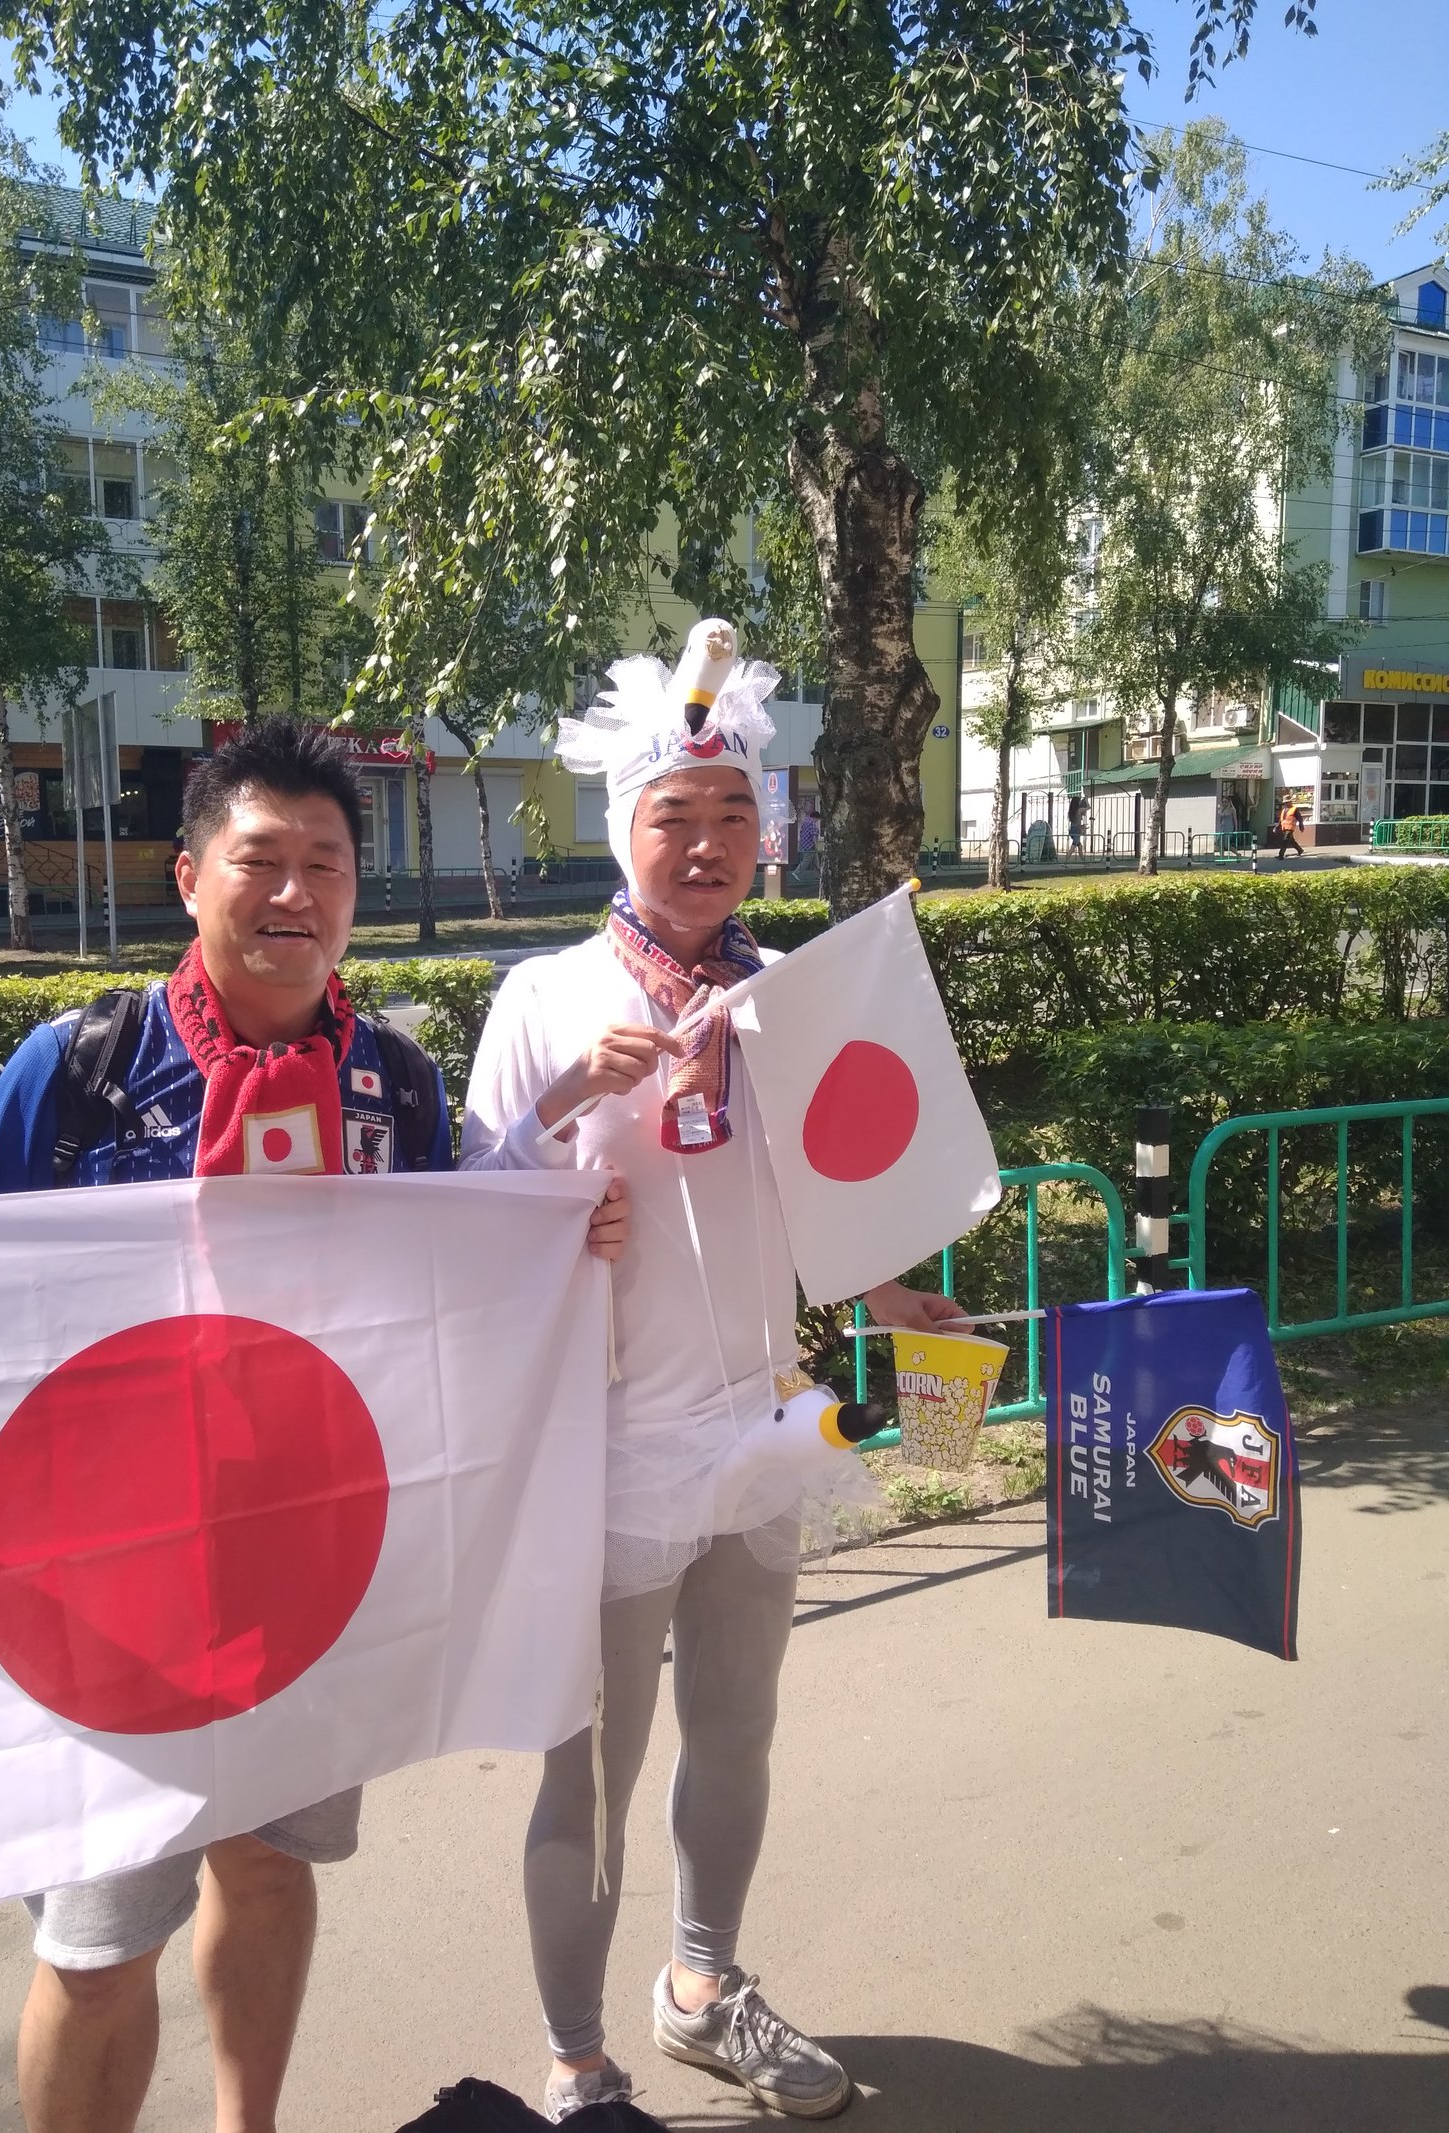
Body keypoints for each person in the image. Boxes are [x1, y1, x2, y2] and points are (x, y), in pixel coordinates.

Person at [0, 715, 629, 2133]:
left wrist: (557, 1236)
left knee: (267, 1867)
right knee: (97, 1940)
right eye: (260, 857)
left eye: (327, 862)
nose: (295, 892)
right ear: (189, 877)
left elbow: (450, 1288)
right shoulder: (81, 1067)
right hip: (106, 1595)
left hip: (306, 1573)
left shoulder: (395, 1080)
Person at [460, 624, 971, 2124]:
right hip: (606, 1445)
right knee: (592, 1774)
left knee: (738, 1729)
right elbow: (464, 1219)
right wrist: (568, 1110)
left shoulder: (796, 999)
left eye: (733, 813)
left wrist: (894, 1286)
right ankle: (576, 2057)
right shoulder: (545, 999)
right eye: (673, 817)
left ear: (769, 829)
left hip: (760, 1425)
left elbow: (833, 1183)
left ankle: (701, 1985)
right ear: (621, 830)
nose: (705, 844)